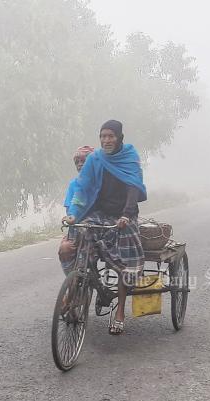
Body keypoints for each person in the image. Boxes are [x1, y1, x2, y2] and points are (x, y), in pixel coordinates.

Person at [63, 120, 147, 335]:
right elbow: (82, 188)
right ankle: (81, 287)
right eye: (103, 136)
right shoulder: (95, 159)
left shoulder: (130, 157)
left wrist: (126, 216)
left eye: (111, 136)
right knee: (80, 236)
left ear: (119, 137)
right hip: (100, 213)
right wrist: (73, 214)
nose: (106, 140)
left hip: (124, 215)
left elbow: (133, 188)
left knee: (125, 261)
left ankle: (120, 312)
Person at [59, 146, 94, 275]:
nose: (80, 165)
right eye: (77, 162)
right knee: (65, 249)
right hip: (77, 229)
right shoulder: (74, 184)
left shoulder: (101, 182)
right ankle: (72, 282)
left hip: (97, 230)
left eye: (83, 161)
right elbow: (70, 210)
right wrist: (71, 218)